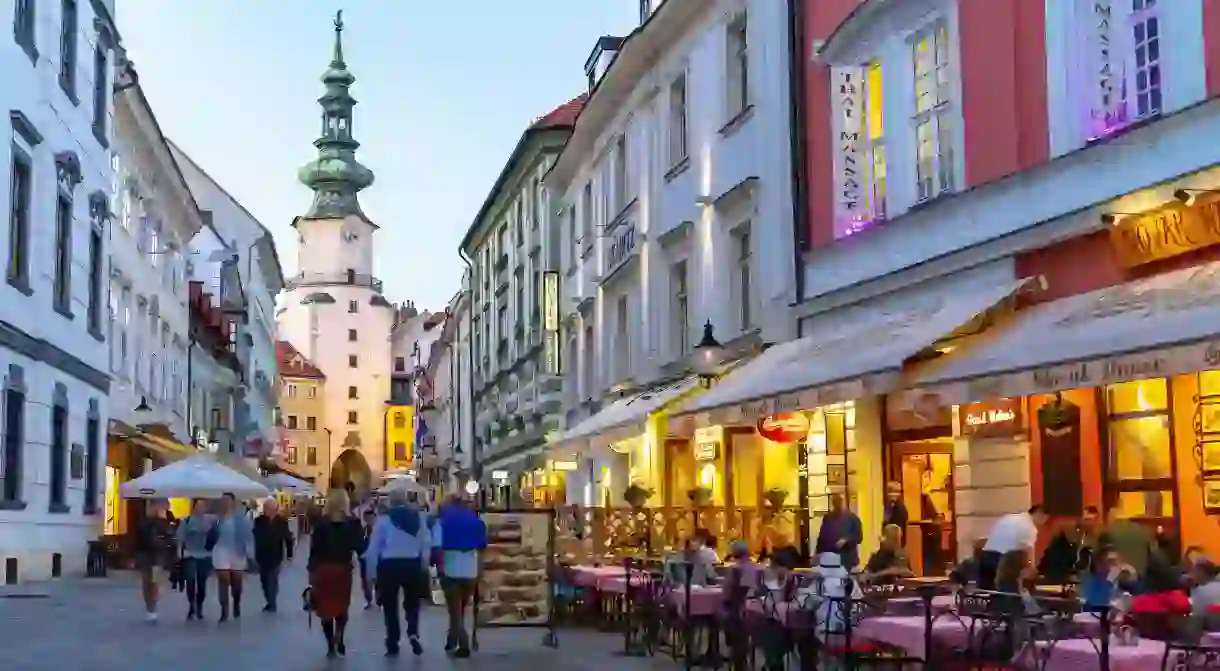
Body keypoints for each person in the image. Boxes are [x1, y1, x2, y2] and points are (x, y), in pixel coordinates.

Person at [365, 489, 432, 657]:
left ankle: (392, 641)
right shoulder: (418, 518)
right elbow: (426, 542)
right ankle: (413, 632)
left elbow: (374, 548)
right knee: (412, 603)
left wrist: (371, 573)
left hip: (390, 565)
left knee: (390, 606)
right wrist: (424, 563)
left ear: (391, 502)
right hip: (412, 563)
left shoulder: (384, 521)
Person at [308, 488, 364, 658]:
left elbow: (314, 550)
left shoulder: (321, 524)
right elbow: (359, 546)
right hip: (343, 569)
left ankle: (330, 644)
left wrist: (311, 571)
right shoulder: (353, 523)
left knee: (325, 607)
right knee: (342, 606)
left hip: (324, 569)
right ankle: (339, 635)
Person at [434, 493, 487, 658]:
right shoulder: (476, 521)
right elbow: (482, 547)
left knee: (455, 610)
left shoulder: (442, 522)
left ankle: (463, 644)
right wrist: (480, 570)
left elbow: (437, 547)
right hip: (471, 567)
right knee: (460, 608)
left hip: (451, 566)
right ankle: (452, 638)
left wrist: (437, 566)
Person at [979, 505, 1048, 590]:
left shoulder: (1009, 518)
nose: (1043, 523)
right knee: (1005, 594)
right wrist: (1031, 568)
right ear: (1039, 513)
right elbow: (1026, 550)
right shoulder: (1029, 527)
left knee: (987, 593)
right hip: (1003, 562)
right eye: (1044, 519)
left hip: (986, 556)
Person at [211, 492, 255, 622]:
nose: (224, 503)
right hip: (220, 551)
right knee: (223, 580)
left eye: (227, 501)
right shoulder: (217, 518)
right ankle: (224, 610)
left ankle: (236, 602)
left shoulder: (240, 518)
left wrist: (250, 552)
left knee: (236, 581)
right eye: (223, 501)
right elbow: (211, 535)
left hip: (237, 551)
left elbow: (248, 536)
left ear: (232, 503)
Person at [134, 500, 174, 622]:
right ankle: (150, 607)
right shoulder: (143, 521)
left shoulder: (164, 520)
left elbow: (169, 536)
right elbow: (138, 539)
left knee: (155, 581)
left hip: (157, 555)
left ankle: (154, 604)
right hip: (145, 554)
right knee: (146, 582)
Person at [176, 499, 217, 620]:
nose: (200, 508)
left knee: (201, 583)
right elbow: (180, 538)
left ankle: (199, 605)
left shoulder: (210, 521)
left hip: (205, 555)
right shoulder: (187, 520)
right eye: (198, 506)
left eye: (202, 506)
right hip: (190, 555)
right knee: (190, 580)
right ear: (194, 508)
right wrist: (179, 551)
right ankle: (191, 605)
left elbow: (216, 534)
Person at [252, 499, 293, 613]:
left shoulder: (281, 521)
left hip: (276, 555)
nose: (268, 511)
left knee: (272, 579)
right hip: (262, 555)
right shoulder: (258, 521)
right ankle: (269, 600)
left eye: (271, 508)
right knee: (264, 580)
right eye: (267, 508)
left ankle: (272, 602)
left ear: (275, 509)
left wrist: (289, 554)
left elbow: (288, 537)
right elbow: (255, 536)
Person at [815, 494, 863, 570]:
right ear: (833, 504)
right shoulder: (828, 518)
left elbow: (859, 537)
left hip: (848, 561)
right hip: (831, 561)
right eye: (835, 502)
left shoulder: (853, 519)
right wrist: (817, 555)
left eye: (840, 502)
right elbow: (821, 539)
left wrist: (846, 540)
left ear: (844, 503)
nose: (838, 505)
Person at [357, 508, 378, 609]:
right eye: (367, 518)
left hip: (378, 558)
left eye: (371, 517)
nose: (370, 520)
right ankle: (368, 599)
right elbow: (359, 544)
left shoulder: (379, 529)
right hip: (365, 558)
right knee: (365, 580)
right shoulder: (363, 530)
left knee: (379, 580)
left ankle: (379, 599)